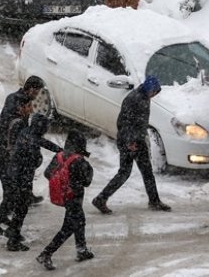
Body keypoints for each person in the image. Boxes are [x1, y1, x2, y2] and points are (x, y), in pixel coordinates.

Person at [92, 75, 171, 214]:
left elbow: (139, 123)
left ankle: (154, 200)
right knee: (124, 173)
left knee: (147, 172)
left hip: (138, 141)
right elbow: (123, 123)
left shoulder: (145, 97)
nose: (154, 94)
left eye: (156, 92)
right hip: (129, 142)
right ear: (148, 88)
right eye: (154, 91)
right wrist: (129, 142)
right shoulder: (133, 99)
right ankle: (100, 199)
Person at [36, 129, 94, 271]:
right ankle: (46, 253)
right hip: (75, 198)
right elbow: (87, 182)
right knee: (68, 227)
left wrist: (63, 183)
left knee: (79, 222)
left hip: (65, 197)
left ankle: (82, 250)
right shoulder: (79, 161)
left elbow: (48, 173)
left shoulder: (59, 156)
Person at [5, 114, 62, 251]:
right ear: (40, 127)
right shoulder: (32, 141)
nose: (47, 129)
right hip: (21, 177)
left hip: (15, 174)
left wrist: (60, 150)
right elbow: (35, 156)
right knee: (21, 208)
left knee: (20, 207)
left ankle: (12, 232)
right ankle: (13, 241)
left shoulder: (27, 132)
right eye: (46, 126)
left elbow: (43, 142)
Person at [0, 77, 47, 207]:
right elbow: (5, 119)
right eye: (37, 91)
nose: (37, 95)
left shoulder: (25, 102)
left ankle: (26, 197)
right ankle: (7, 208)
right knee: (10, 180)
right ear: (31, 89)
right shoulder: (15, 101)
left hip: (15, 145)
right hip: (8, 148)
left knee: (26, 172)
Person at [0, 95, 33, 236]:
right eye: (29, 106)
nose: (31, 109)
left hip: (0, 162)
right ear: (21, 108)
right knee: (11, 196)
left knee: (10, 195)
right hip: (7, 164)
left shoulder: (6, 119)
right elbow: (17, 147)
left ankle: (0, 219)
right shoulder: (19, 123)